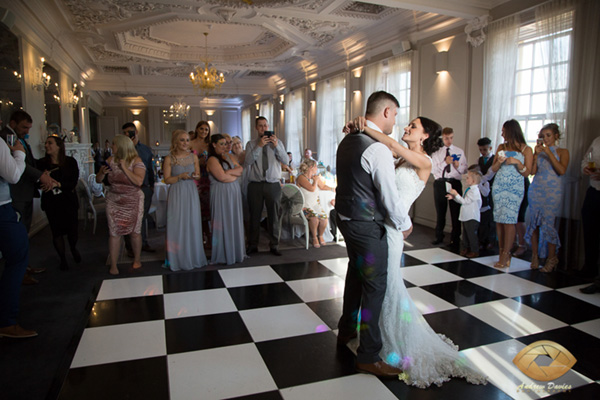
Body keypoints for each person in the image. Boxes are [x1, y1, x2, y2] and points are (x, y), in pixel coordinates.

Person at [345, 104, 487, 387]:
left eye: (413, 126)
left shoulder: (424, 162)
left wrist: (365, 125)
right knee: (380, 285)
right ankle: (376, 340)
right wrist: (357, 129)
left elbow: (386, 141)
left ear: (424, 137)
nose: (407, 127)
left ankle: (387, 345)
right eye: (407, 123)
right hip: (381, 225)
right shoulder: (400, 158)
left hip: (392, 231)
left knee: (388, 285)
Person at [335, 91, 412, 378]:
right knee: (375, 286)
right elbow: (389, 196)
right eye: (396, 115)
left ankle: (345, 331)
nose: (397, 121)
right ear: (388, 111)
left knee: (355, 275)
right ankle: (368, 355)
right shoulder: (377, 148)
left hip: (345, 219)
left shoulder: (348, 139)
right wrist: (403, 224)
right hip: (366, 225)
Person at [0, 110, 56, 281]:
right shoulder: (5, 138)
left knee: (23, 234)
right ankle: (20, 272)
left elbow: (28, 163)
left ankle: (24, 268)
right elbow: (16, 169)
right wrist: (40, 176)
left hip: (24, 191)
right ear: (14, 122)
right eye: (24, 127)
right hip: (15, 193)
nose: (27, 131)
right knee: (18, 239)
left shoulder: (18, 139)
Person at [0, 127, 37, 338]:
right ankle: (6, 321)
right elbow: (13, 175)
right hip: (1, 209)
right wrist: (18, 153)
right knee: (18, 257)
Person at [96, 135, 146, 275]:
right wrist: (101, 173)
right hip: (114, 200)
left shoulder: (137, 161)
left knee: (135, 232)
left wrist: (124, 168)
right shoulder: (110, 160)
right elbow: (99, 180)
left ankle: (137, 259)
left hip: (133, 200)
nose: (112, 146)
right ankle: (113, 264)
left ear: (122, 146)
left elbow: (139, 181)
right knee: (114, 232)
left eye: (114, 144)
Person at [525, 124, 569, 272]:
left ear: (556, 135)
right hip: (536, 188)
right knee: (534, 222)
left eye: (548, 135)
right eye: (543, 136)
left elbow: (561, 170)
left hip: (552, 191)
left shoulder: (563, 151)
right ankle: (535, 256)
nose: (545, 138)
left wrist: (549, 153)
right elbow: (532, 172)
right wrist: (536, 155)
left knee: (548, 223)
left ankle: (552, 258)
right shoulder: (539, 152)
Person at [490, 119, 533, 269]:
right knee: (499, 220)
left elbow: (527, 172)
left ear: (511, 131)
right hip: (499, 186)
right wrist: (499, 162)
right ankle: (501, 251)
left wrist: (517, 163)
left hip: (515, 188)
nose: (501, 134)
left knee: (509, 220)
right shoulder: (501, 147)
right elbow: (493, 169)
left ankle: (507, 253)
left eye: (503, 131)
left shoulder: (526, 149)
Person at [162, 130, 207, 271]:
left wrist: (195, 175)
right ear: (176, 141)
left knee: (191, 222)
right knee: (177, 223)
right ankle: (177, 258)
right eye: (182, 140)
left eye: (187, 140)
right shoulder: (169, 158)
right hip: (176, 192)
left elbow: (198, 176)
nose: (185, 143)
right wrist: (180, 176)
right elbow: (167, 180)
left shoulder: (193, 157)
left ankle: (192, 256)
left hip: (190, 192)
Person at [244, 117, 288, 256]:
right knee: (254, 216)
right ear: (256, 128)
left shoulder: (278, 142)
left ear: (268, 126)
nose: (263, 128)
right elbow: (248, 161)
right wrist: (259, 146)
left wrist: (276, 147)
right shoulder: (251, 144)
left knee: (274, 216)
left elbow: (286, 160)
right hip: (255, 184)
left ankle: (274, 245)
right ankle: (252, 245)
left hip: (273, 184)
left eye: (265, 125)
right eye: (260, 126)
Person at [37, 135, 81, 270]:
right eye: (46, 143)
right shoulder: (41, 164)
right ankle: (62, 258)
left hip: (68, 201)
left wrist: (58, 184)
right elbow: (38, 183)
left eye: (50, 143)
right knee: (56, 232)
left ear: (59, 146)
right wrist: (44, 181)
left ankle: (73, 248)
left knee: (72, 232)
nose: (46, 146)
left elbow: (73, 182)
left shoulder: (70, 162)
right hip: (52, 203)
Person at [207, 134, 246, 265]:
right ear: (214, 144)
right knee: (222, 222)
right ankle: (224, 254)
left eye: (226, 143)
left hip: (233, 193)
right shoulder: (212, 159)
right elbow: (221, 178)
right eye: (222, 144)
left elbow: (240, 170)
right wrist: (231, 174)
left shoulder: (229, 156)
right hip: (220, 194)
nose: (225, 146)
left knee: (233, 220)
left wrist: (228, 173)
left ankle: (235, 251)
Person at [121, 122, 155, 255]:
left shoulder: (146, 150)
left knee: (143, 217)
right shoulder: (122, 150)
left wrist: (152, 186)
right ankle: (130, 247)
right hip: (128, 188)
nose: (127, 135)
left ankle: (144, 243)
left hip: (145, 187)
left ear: (136, 132)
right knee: (129, 218)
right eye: (124, 133)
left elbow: (150, 169)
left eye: (129, 132)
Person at [431, 127, 468, 248]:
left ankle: (455, 239)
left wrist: (457, 166)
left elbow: (464, 170)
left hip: (455, 183)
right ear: (442, 137)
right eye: (446, 138)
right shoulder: (437, 152)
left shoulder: (459, 151)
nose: (449, 140)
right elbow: (433, 170)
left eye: (451, 137)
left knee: (455, 211)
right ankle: (439, 236)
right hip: (440, 183)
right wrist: (445, 163)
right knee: (440, 211)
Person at [296, 159, 333, 248]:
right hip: (304, 205)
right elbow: (312, 188)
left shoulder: (315, 177)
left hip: (315, 205)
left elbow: (323, 186)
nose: (317, 169)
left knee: (324, 218)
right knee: (315, 218)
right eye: (316, 167)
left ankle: (320, 236)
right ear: (311, 167)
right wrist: (315, 181)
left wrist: (332, 189)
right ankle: (314, 237)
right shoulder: (301, 177)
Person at [580, 135, 600, 294]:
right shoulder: (596, 141)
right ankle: (590, 270)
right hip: (593, 190)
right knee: (590, 231)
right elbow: (586, 159)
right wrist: (585, 167)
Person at [447, 170, 482, 258]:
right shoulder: (469, 190)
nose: (466, 179)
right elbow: (462, 201)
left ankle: (474, 250)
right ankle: (466, 248)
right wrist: (454, 197)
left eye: (468, 178)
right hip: (466, 216)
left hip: (471, 217)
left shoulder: (474, 191)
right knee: (465, 234)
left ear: (473, 181)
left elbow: (465, 201)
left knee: (471, 234)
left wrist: (456, 194)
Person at [190, 121, 211, 249]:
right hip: (195, 178)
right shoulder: (190, 144)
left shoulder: (209, 145)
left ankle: (208, 237)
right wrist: (198, 161)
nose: (204, 131)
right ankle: (197, 238)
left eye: (206, 130)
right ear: (197, 129)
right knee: (196, 209)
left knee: (207, 210)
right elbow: (185, 160)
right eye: (202, 129)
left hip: (208, 179)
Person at [477, 137, 495, 249]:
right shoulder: (479, 160)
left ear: (490, 148)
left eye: (485, 149)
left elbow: (489, 174)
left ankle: (490, 240)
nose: (482, 152)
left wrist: (479, 180)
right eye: (480, 150)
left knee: (491, 216)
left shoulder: (494, 160)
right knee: (482, 216)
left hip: (491, 189)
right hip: (481, 189)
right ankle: (481, 238)